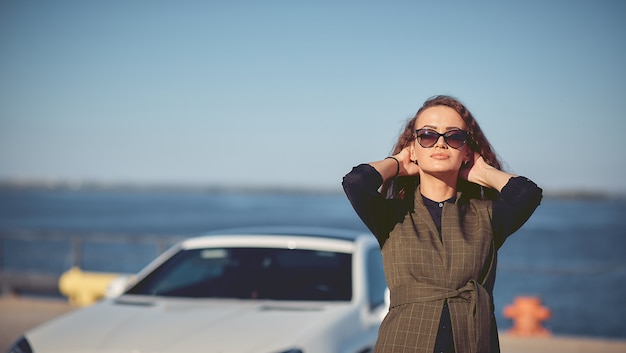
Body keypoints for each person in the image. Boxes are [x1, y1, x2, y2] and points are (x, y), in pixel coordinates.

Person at [342, 95, 542, 353]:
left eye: (454, 136)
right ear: (413, 148)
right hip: (404, 341)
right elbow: (355, 183)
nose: (440, 143)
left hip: (473, 341)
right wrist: (398, 163)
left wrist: (482, 171)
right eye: (427, 135)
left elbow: (527, 194)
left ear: (466, 150)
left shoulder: (487, 217)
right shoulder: (391, 217)